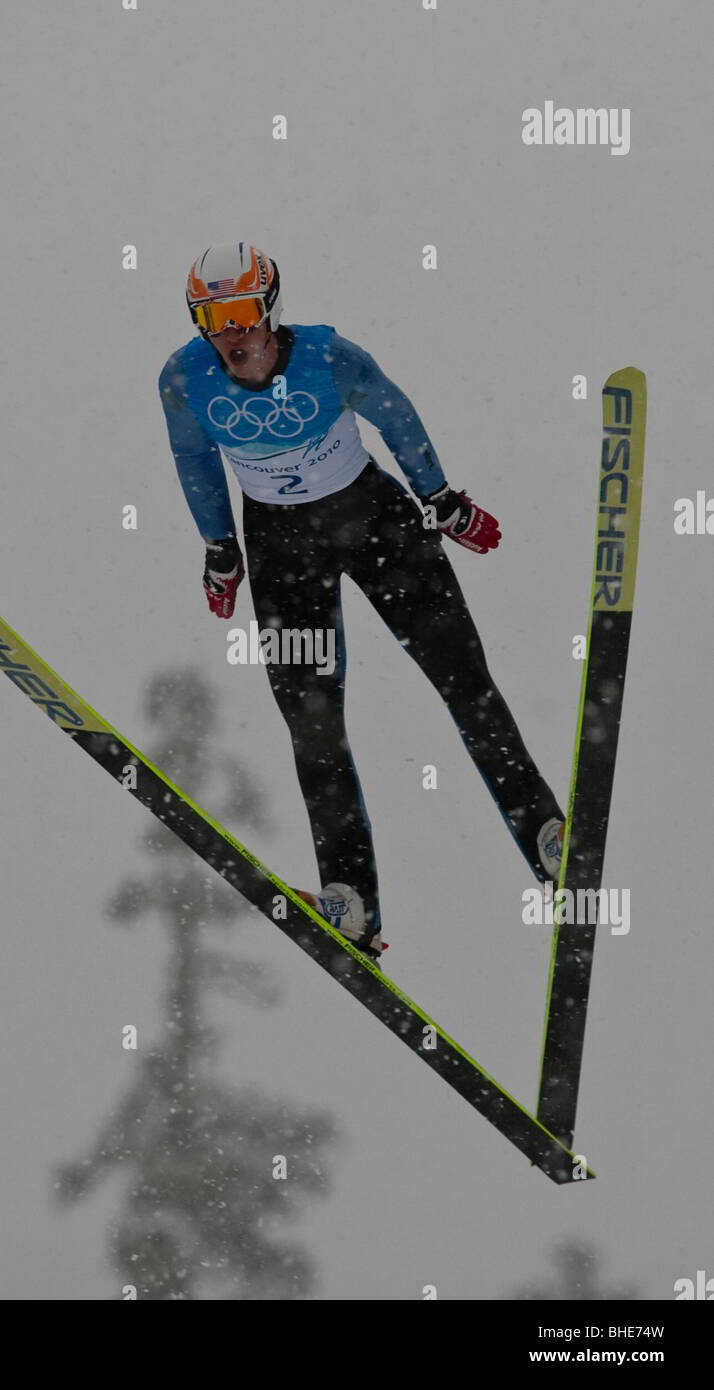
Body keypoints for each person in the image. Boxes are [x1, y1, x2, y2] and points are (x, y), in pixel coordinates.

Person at [159, 242, 564, 962]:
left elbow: (395, 414)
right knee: (312, 727)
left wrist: (440, 498)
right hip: (283, 554)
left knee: (464, 685)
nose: (231, 332)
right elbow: (193, 459)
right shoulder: (184, 381)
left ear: (270, 308)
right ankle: (349, 902)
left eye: (243, 312)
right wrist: (222, 549)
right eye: (211, 317)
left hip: (376, 524)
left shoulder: (328, 358)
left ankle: (548, 839)